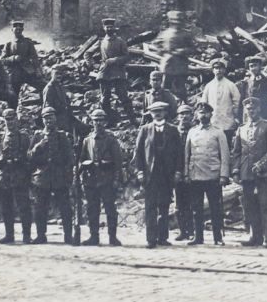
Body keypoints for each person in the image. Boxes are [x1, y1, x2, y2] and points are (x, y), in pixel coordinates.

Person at [133, 101, 184, 247]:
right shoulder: (144, 130)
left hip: (166, 175)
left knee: (164, 206)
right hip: (150, 175)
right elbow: (139, 153)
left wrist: (178, 171)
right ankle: (151, 239)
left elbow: (179, 154)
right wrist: (140, 171)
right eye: (154, 111)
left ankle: (162, 237)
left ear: (165, 113)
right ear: (150, 113)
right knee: (150, 207)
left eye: (160, 111)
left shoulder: (173, 130)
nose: (157, 114)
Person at [232, 97, 267, 247]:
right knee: (249, 206)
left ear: (259, 109)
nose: (251, 111)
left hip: (264, 173)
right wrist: (235, 171)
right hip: (246, 173)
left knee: (266, 204)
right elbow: (237, 152)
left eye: (253, 108)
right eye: (248, 109)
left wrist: (261, 164)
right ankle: (255, 236)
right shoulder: (242, 129)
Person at [28, 107, 76, 245]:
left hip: (59, 177)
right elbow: (29, 156)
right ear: (42, 120)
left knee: (65, 208)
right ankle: (40, 235)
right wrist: (38, 146)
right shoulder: (37, 136)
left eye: (51, 117)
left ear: (55, 119)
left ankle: (68, 236)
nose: (48, 120)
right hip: (42, 178)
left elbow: (69, 158)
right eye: (46, 118)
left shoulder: (62, 136)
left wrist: (68, 175)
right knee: (40, 208)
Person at [184, 102, 230, 245]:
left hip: (213, 175)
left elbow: (225, 156)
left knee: (215, 208)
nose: (203, 115)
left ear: (211, 114)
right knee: (196, 209)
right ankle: (198, 237)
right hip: (196, 175)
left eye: (206, 113)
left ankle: (217, 237)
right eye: (200, 113)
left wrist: (224, 175)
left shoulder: (218, 132)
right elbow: (187, 154)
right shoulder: (192, 132)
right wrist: (186, 173)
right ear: (196, 115)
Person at [77, 108, 123, 246]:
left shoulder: (111, 140)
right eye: (96, 120)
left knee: (110, 209)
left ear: (105, 121)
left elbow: (118, 161)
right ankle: (94, 236)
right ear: (92, 122)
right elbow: (82, 158)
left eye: (101, 120)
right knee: (92, 209)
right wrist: (80, 173)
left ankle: (112, 237)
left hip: (107, 178)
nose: (98, 123)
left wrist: (116, 178)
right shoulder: (87, 140)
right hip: (91, 179)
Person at [0, 104, 32, 243]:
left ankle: (26, 235)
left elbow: (30, 157)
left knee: (23, 206)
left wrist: (27, 174)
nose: (10, 122)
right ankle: (9, 235)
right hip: (4, 175)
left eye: (12, 119)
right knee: (6, 207)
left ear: (17, 119)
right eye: (7, 119)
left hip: (19, 175)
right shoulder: (0, 137)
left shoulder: (24, 137)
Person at [172, 102, 198, 241]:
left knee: (192, 203)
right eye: (181, 114)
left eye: (187, 113)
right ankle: (183, 231)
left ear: (191, 116)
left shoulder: (196, 131)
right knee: (179, 204)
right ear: (178, 116)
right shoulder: (173, 131)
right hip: (177, 171)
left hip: (192, 171)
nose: (184, 116)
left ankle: (192, 231)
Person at [3, 21, 43, 106]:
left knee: (43, 86)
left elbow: (34, 57)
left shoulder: (28, 43)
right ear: (12, 30)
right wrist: (13, 58)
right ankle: (12, 115)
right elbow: (3, 60)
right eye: (16, 29)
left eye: (20, 29)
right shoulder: (8, 44)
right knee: (12, 97)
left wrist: (38, 70)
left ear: (22, 30)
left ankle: (42, 108)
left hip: (28, 72)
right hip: (14, 74)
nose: (18, 31)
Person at [97, 18, 130, 119]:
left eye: (111, 27)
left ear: (114, 28)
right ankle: (109, 119)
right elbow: (87, 54)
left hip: (118, 72)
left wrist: (115, 60)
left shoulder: (120, 41)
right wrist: (92, 64)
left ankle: (132, 119)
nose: (109, 29)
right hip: (105, 72)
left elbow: (127, 57)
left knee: (123, 97)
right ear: (104, 28)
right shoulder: (101, 42)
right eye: (107, 27)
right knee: (105, 98)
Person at [202, 58, 242, 142]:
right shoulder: (208, 86)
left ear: (224, 70)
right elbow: (203, 104)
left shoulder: (230, 85)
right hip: (213, 122)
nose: (218, 70)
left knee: (226, 146)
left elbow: (237, 102)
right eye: (216, 68)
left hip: (227, 122)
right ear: (213, 70)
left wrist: (235, 117)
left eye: (221, 68)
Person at [241, 56, 267, 123]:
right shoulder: (246, 83)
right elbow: (242, 101)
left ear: (260, 66)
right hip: (249, 115)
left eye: (255, 65)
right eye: (251, 66)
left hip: (264, 116)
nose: (253, 68)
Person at [41, 63, 77, 136]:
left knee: (84, 129)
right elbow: (47, 108)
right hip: (57, 120)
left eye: (60, 74)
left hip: (65, 116)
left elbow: (65, 101)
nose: (59, 76)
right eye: (56, 73)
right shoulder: (49, 88)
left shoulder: (59, 86)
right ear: (51, 74)